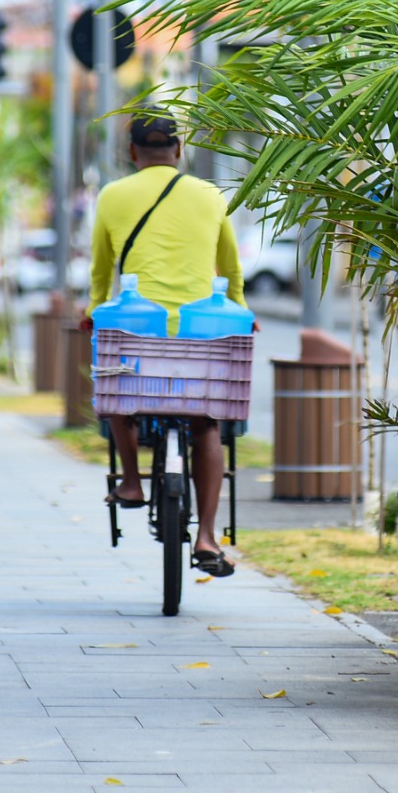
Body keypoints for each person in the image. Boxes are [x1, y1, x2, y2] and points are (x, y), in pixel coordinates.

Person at [81, 109, 249, 577]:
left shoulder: (112, 196)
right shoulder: (210, 194)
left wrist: (94, 310)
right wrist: (238, 309)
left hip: (138, 327)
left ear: (131, 152)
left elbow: (100, 272)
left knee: (114, 380)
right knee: (206, 423)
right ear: (179, 150)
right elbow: (231, 269)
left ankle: (132, 482)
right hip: (202, 332)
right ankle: (208, 536)